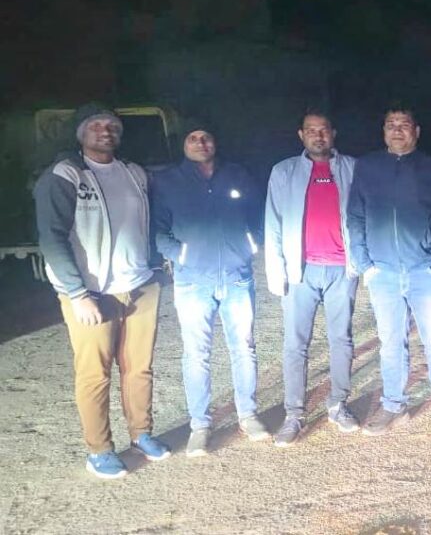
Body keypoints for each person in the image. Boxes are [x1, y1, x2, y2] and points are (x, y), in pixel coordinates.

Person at [34, 104, 169, 479]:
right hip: (93, 292)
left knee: (139, 367)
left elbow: (148, 223)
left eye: (112, 125)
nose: (105, 131)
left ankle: (141, 433)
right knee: (95, 373)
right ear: (80, 133)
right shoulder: (66, 174)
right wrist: (77, 294)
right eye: (95, 125)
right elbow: (51, 238)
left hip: (139, 285)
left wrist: (156, 265)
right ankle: (99, 450)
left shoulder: (134, 172)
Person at [151, 120, 268, 457]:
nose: (200, 143)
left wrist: (251, 245)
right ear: (183, 144)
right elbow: (157, 230)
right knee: (197, 353)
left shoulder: (237, 174)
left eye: (206, 137)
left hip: (236, 277)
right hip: (192, 282)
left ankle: (248, 415)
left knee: (243, 348)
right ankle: (200, 425)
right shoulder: (168, 181)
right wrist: (182, 255)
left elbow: (259, 215)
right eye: (193, 137)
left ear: (215, 142)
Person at [347, 105, 431, 437]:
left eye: (404, 124)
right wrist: (364, 263)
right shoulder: (367, 168)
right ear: (383, 131)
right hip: (382, 272)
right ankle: (393, 404)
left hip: (424, 270)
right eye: (391, 125)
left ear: (416, 131)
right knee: (390, 342)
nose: (397, 130)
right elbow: (355, 216)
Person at [264, 110, 360, 447]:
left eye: (323, 130)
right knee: (295, 344)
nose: (318, 136)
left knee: (341, 339)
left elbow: (364, 214)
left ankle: (338, 404)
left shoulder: (351, 168)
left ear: (333, 133)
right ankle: (294, 414)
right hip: (300, 271)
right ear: (301, 135)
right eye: (311, 130)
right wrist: (277, 272)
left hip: (341, 269)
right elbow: (273, 222)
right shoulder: (284, 172)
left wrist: (361, 261)